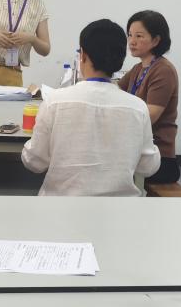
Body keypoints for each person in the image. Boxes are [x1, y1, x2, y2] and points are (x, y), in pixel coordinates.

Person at [21, 19, 159, 196]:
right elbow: (148, 167)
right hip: (119, 209)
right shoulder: (138, 108)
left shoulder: (54, 101)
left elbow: (34, 162)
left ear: (83, 56)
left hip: (61, 207)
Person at [117, 10, 180, 184]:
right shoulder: (138, 69)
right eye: (130, 35)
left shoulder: (163, 70)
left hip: (158, 157)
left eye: (139, 36)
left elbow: (149, 116)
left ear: (156, 40)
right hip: (136, 151)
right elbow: (114, 91)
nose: (132, 41)